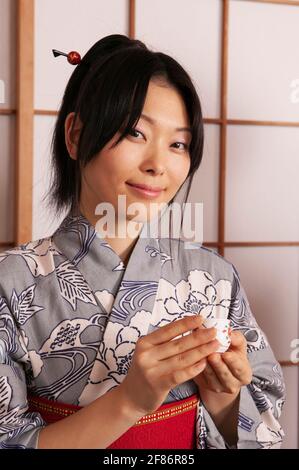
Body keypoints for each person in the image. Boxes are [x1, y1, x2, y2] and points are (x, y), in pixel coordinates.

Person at [0, 34, 285, 449]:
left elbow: (264, 427)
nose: (158, 165)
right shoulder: (11, 281)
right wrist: (129, 402)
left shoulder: (214, 278)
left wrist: (222, 395)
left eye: (178, 143)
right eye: (135, 133)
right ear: (76, 135)